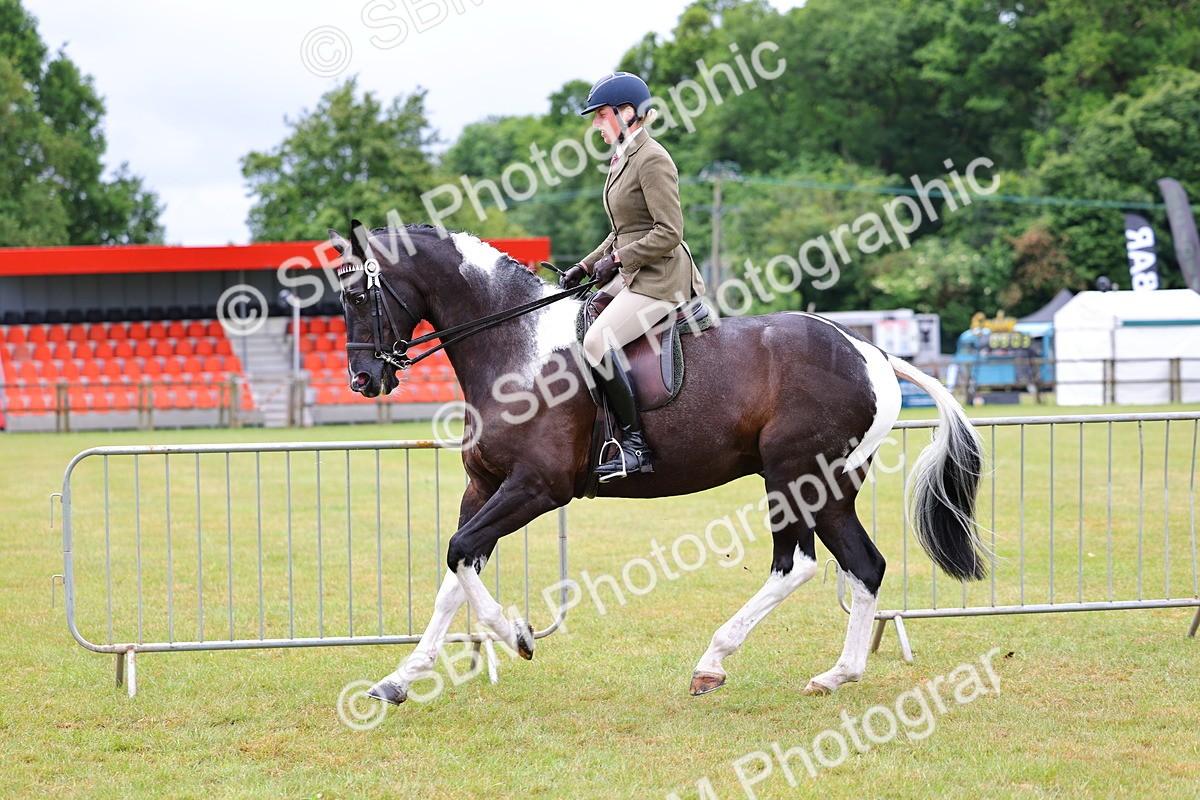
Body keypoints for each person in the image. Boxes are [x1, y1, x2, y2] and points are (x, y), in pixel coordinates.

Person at [560, 72, 706, 483]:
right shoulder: (623, 156)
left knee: (597, 340)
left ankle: (635, 447)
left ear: (627, 113)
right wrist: (587, 265)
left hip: (662, 279)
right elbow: (623, 229)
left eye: (601, 115)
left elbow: (668, 231)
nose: (595, 124)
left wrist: (618, 260)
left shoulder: (653, 158)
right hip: (635, 270)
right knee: (578, 317)